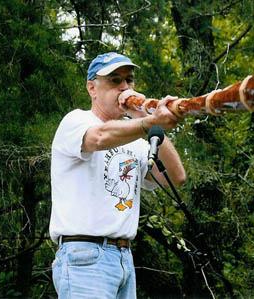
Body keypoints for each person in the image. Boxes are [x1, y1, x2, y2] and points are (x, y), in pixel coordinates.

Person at [49, 52, 186, 298]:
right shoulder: (76, 121)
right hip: (85, 256)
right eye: (114, 80)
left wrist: (149, 120)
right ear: (92, 88)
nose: (124, 87)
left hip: (123, 258)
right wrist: (148, 123)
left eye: (129, 80)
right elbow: (99, 137)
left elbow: (175, 177)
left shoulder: (135, 138)